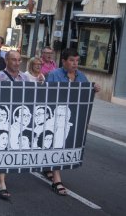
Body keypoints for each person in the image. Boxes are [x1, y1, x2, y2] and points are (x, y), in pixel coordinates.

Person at [45, 48, 101, 196]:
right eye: (71, 60)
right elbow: (45, 96)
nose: (75, 64)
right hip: (56, 117)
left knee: (63, 144)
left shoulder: (81, 76)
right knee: (57, 143)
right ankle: (57, 180)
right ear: (63, 61)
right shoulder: (54, 75)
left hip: (72, 118)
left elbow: (86, 93)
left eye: (77, 61)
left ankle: (49, 167)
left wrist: (94, 89)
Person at [0, 50, 30, 200]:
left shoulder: (25, 78)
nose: (17, 63)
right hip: (2, 118)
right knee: (3, 146)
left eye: (19, 60)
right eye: (14, 60)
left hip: (16, 119)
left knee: (9, 147)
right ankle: (2, 184)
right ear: (6, 61)